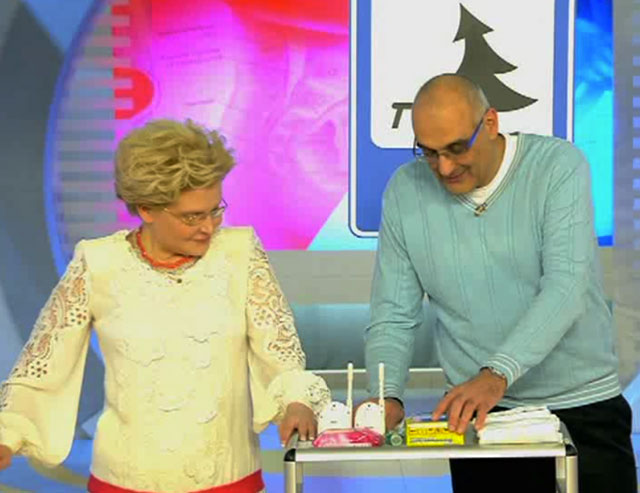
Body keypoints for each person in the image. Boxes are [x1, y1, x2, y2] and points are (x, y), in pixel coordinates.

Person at [0, 119, 330, 493]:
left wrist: (296, 401)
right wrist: (7, 436)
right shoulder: (97, 263)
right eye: (192, 217)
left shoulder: (241, 254)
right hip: (123, 482)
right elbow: (44, 367)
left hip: (228, 481)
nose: (208, 227)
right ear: (146, 209)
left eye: (215, 210)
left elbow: (280, 353)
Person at [364, 74, 636, 492]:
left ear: (490, 123)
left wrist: (496, 374)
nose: (444, 167)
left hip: (582, 407)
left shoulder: (558, 166)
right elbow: (393, 313)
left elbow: (566, 286)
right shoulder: (405, 190)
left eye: (457, 148)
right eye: (429, 152)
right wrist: (386, 396)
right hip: (481, 420)